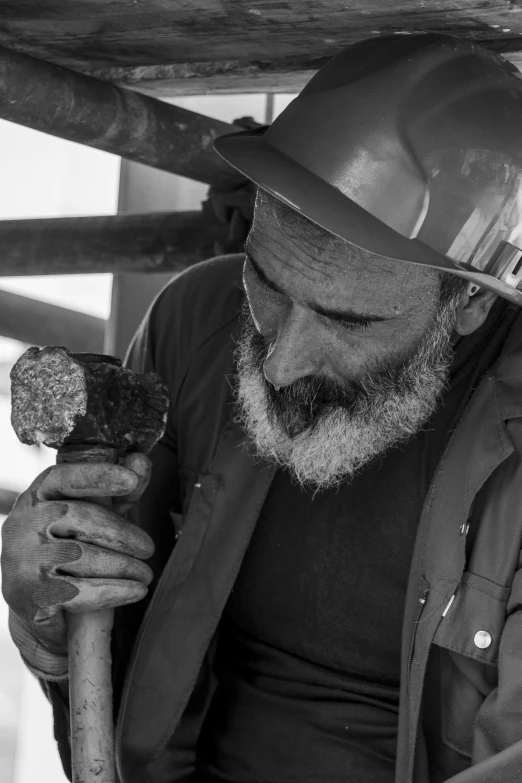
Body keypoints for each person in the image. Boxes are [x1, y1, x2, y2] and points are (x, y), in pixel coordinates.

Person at [3, 32, 522, 783]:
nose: (280, 362)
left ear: (469, 297)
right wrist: (41, 614)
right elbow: (105, 667)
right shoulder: (196, 321)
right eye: (269, 284)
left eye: (346, 322)